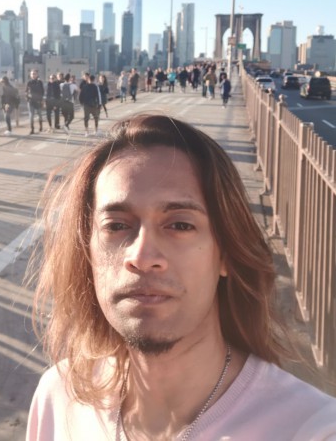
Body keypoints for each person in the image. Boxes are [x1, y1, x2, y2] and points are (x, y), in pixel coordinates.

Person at [26, 114, 336, 440]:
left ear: (225, 253)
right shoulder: (59, 398)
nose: (142, 258)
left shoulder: (312, 430)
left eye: (180, 225)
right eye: (116, 226)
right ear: (87, 251)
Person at [26, 69, 44, 135]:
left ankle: (41, 126)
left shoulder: (39, 82)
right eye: (32, 74)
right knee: (31, 116)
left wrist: (41, 100)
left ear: (37, 74)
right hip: (31, 101)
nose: (33, 75)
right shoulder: (29, 82)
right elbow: (26, 91)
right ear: (30, 75)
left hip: (38, 101)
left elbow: (42, 91)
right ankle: (32, 129)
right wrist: (27, 97)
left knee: (40, 115)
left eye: (34, 74)